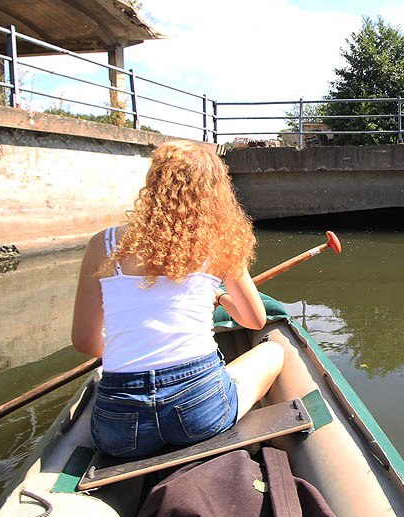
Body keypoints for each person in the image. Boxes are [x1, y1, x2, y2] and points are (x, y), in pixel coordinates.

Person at [70, 140, 284, 458]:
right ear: (215, 191)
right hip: (200, 411)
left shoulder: (104, 244)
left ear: (154, 183)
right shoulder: (219, 242)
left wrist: (125, 355)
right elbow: (254, 320)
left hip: (121, 427)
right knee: (273, 352)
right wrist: (223, 297)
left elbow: (85, 342)